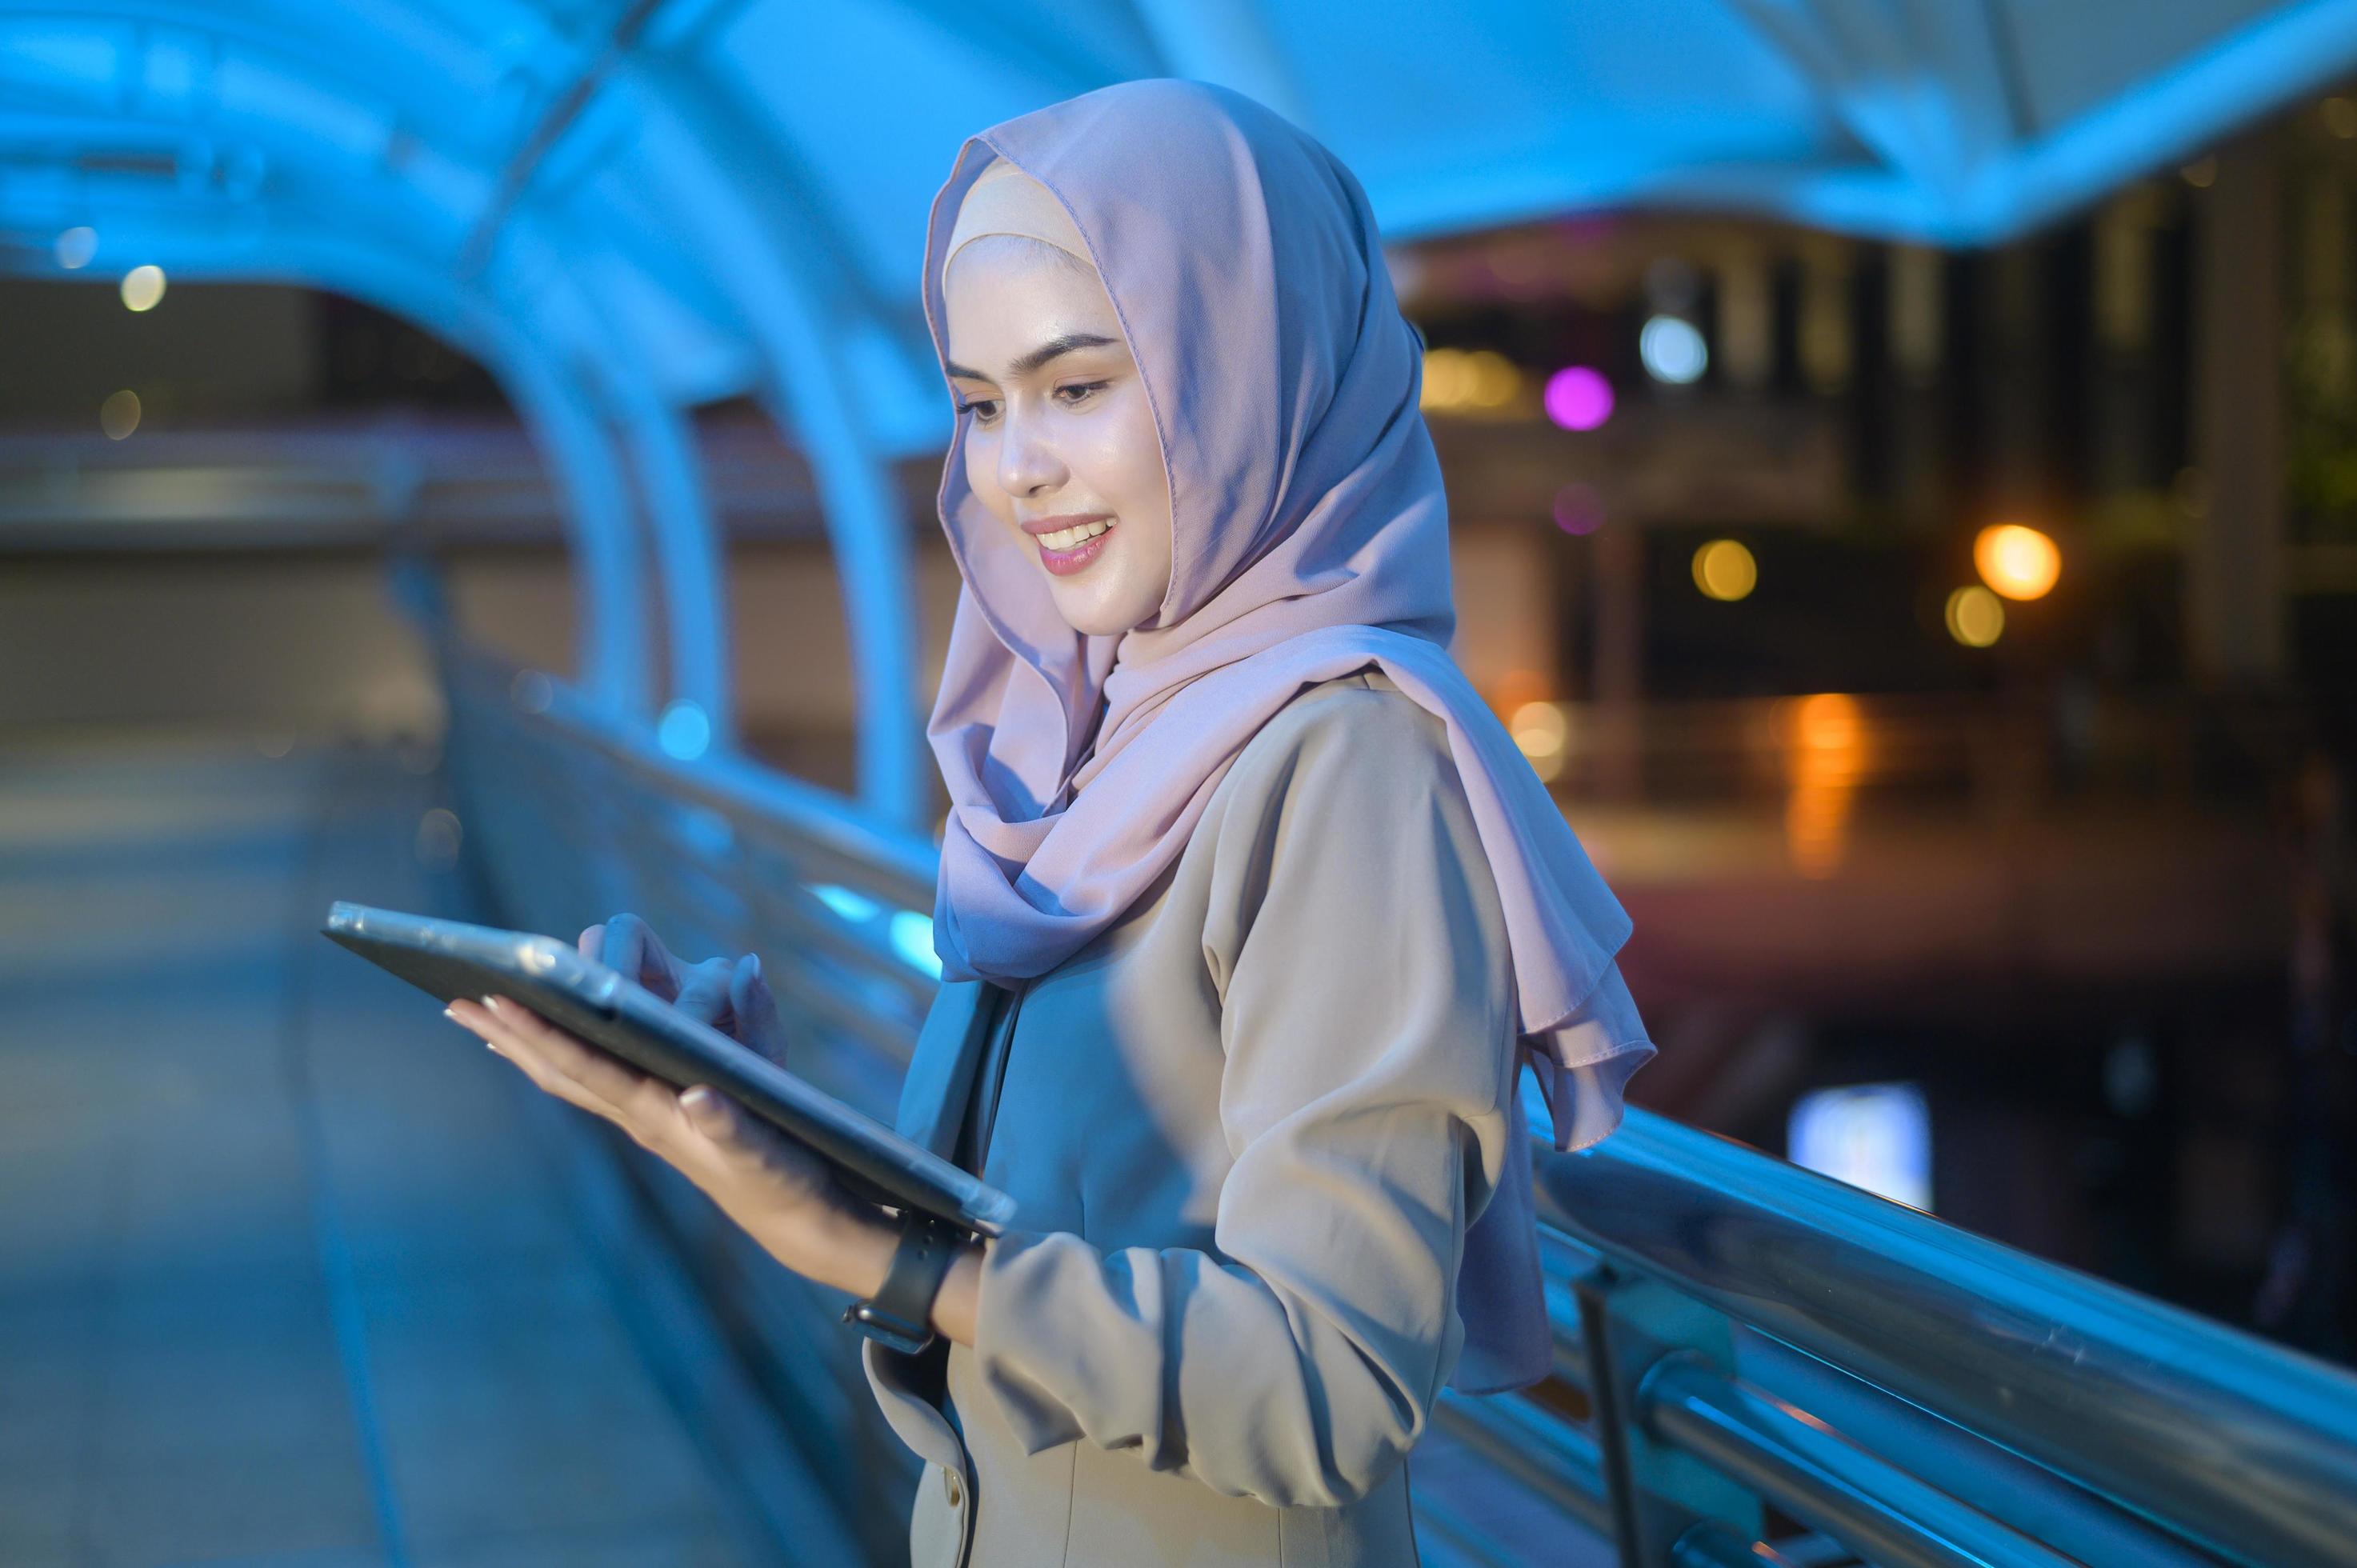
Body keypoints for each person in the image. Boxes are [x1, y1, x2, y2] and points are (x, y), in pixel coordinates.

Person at [448, 78, 1655, 1567]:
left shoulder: (1344, 772)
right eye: (978, 401)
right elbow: (1027, 1261)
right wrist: (780, 1141)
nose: (1012, 466)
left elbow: (1326, 1381)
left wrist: (876, 1250)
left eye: (1078, 384)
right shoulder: (1087, 749)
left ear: (1251, 371)